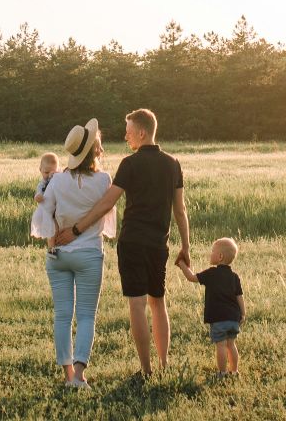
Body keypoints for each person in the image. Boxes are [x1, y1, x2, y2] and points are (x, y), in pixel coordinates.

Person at [47, 108, 190, 378]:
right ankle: (164, 365)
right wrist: (186, 246)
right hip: (160, 244)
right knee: (158, 302)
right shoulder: (173, 163)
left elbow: (106, 203)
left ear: (142, 132)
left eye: (128, 131)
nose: (125, 136)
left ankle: (146, 370)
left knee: (137, 304)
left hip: (133, 242)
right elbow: (180, 210)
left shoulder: (129, 164)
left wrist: (77, 228)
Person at [41, 119, 116, 390]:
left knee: (62, 315)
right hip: (89, 254)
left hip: (58, 254)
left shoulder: (57, 180)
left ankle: (66, 374)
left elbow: (44, 214)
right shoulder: (105, 179)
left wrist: (53, 239)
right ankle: (80, 376)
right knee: (86, 315)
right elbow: (107, 218)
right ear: (95, 150)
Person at [178, 237, 244, 378]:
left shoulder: (211, 273)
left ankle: (222, 372)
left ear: (220, 257)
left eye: (212, 251)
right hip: (233, 318)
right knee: (231, 345)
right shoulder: (234, 277)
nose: (210, 253)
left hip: (219, 318)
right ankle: (234, 371)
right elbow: (239, 296)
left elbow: (192, 277)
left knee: (220, 345)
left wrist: (182, 264)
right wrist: (243, 314)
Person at [30, 151, 59, 240]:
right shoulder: (42, 184)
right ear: (40, 170)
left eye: (53, 173)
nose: (49, 175)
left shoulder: (59, 179)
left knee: (58, 228)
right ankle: (51, 249)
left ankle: (59, 245)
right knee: (50, 231)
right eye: (46, 172)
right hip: (47, 211)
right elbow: (38, 194)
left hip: (58, 209)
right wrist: (38, 197)